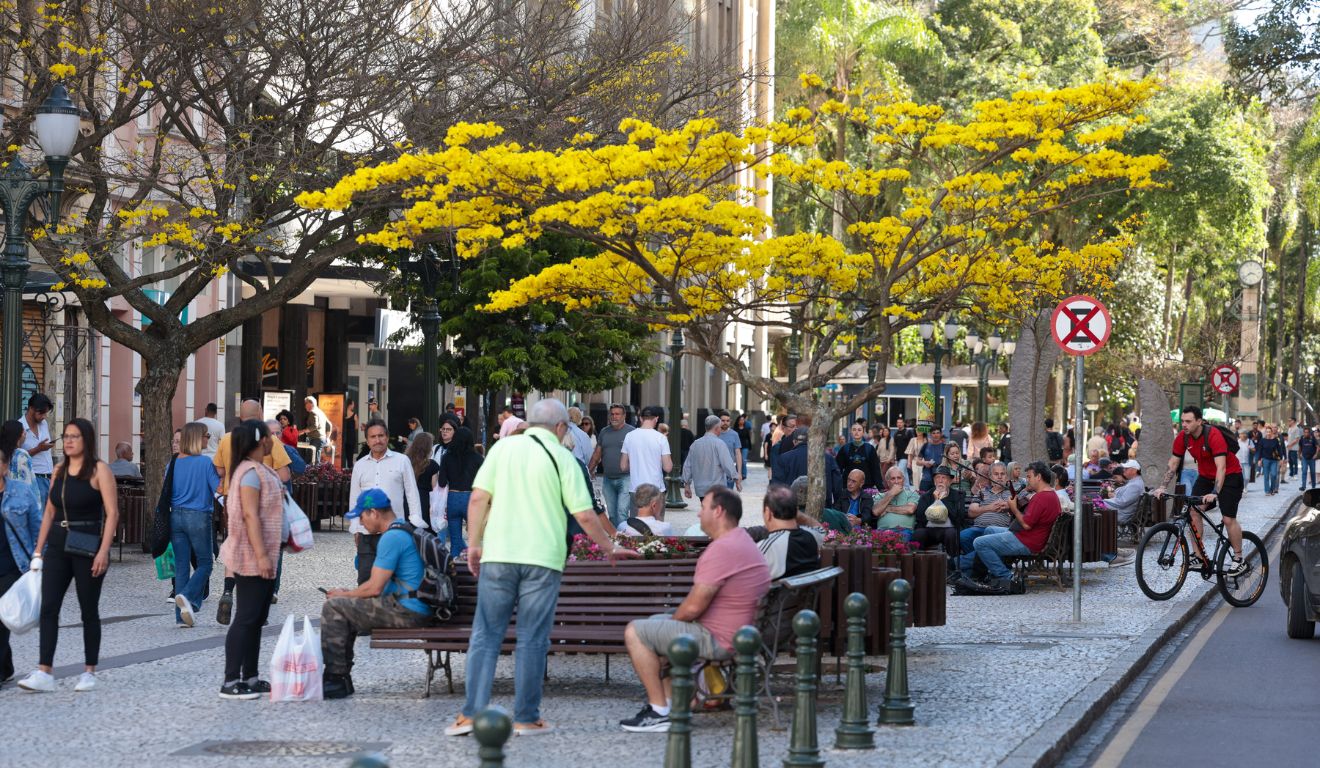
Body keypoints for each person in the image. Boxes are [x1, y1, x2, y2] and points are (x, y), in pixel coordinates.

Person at [446, 399, 636, 738]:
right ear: (561, 427)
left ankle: (471, 714)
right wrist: (610, 547)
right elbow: (585, 514)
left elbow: (477, 499)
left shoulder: (502, 451)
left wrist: (474, 543)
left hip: (500, 554)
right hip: (542, 559)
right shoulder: (564, 458)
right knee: (532, 639)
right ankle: (526, 717)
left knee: (486, 635)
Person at [619, 487, 769, 733]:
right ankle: (672, 704)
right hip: (739, 633)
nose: (698, 515)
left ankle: (658, 710)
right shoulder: (741, 541)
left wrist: (673, 624)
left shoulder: (722, 549)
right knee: (657, 621)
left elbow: (693, 607)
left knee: (635, 631)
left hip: (721, 639)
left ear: (718, 511)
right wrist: (669, 624)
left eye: (703, 508)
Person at [18, 417, 118, 693]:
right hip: (58, 543)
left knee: (88, 609)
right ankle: (44, 670)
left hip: (87, 541)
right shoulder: (59, 469)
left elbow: (112, 514)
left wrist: (104, 550)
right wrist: (38, 550)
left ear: (87, 440)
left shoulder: (99, 471)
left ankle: (89, 671)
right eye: (66, 436)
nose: (69, 440)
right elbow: (49, 512)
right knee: (49, 607)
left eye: (75, 436)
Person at [321, 489, 433, 698]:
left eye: (361, 517)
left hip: (408, 610)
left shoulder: (391, 538)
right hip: (414, 605)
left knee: (333, 607)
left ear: (374, 513)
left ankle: (336, 679)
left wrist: (342, 596)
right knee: (346, 608)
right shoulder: (404, 529)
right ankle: (340, 677)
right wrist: (350, 593)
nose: (361, 524)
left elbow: (374, 587)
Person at [216, 420, 283, 700]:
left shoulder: (260, 470)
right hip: (251, 555)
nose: (272, 440)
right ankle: (231, 680)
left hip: (264, 552)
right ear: (260, 440)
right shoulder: (250, 473)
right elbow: (250, 516)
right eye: (269, 436)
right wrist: (262, 556)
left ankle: (251, 676)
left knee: (257, 618)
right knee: (246, 618)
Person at [212, 400, 293, 625]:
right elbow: (285, 474)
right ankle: (256, 606)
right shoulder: (269, 439)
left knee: (235, 542)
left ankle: (228, 591)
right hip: (262, 502)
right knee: (260, 549)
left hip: (233, 500)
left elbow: (218, 468)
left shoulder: (228, 438)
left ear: (240, 416)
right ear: (259, 414)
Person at [1154, 406, 1247, 575]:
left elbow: (1222, 467)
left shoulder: (1213, 435)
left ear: (1199, 421)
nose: (1184, 425)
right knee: (1193, 511)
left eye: (1188, 421)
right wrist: (1162, 486)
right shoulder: (1183, 437)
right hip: (1205, 477)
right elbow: (1173, 464)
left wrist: (1215, 493)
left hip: (1231, 476)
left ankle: (1239, 558)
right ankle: (1198, 555)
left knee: (1227, 519)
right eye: (1182, 421)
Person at [959, 461, 1063, 592]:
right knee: (989, 529)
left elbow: (1026, 524)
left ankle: (1006, 577)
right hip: (1028, 536)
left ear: (1039, 477)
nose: (1027, 480)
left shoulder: (1041, 497)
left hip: (1027, 541)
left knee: (979, 543)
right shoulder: (1050, 494)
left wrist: (1013, 508)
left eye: (1029, 476)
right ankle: (983, 573)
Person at [350, 418, 423, 583]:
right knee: (365, 577)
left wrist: (414, 522)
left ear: (387, 437)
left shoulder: (402, 461)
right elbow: (355, 497)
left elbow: (412, 492)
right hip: (366, 532)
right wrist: (355, 528)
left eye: (381, 436)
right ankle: (368, 608)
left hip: (394, 530)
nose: (377, 440)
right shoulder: (360, 465)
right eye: (373, 437)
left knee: (394, 578)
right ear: (367, 441)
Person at [0, 447, 43, 688]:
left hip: (11, 566)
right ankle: (5, 666)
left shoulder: (21, 492)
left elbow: (37, 528)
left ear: (5, 466)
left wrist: (39, 559)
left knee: (1, 618)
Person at [170, 423, 221, 627]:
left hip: (176, 517)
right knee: (205, 563)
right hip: (199, 516)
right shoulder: (204, 463)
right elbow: (217, 490)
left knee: (181, 566)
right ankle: (188, 596)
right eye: (205, 435)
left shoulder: (173, 463)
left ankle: (180, 615)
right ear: (196, 438)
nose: (207, 439)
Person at [753, 484, 821, 579]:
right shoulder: (814, 536)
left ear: (768, 513)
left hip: (777, 593)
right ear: (796, 512)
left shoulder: (767, 547)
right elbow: (820, 529)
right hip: (811, 592)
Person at [437, 426, 484, 556]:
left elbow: (441, 482)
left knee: (455, 540)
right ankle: (473, 567)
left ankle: (455, 568)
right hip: (471, 498)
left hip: (452, 498)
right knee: (474, 540)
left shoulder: (447, 457)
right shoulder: (477, 458)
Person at [958, 462, 1014, 564]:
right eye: (996, 474)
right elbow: (971, 512)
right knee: (963, 536)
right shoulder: (982, 492)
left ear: (1006, 476)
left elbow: (1011, 507)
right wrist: (990, 508)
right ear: (990, 476)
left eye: (1002, 474)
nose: (999, 477)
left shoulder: (1010, 493)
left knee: (989, 534)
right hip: (979, 527)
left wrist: (1007, 506)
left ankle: (968, 564)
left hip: (998, 530)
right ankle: (981, 564)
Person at [589, 405, 635, 526]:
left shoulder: (631, 432)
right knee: (612, 515)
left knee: (621, 512)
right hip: (608, 479)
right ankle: (615, 540)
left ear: (624, 416)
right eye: (612, 414)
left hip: (626, 478)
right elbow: (596, 455)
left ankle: (624, 541)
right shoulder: (604, 432)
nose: (614, 416)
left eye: (617, 414)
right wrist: (588, 472)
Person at [910, 465, 965, 564]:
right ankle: (918, 565)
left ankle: (952, 566)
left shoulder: (957, 495)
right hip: (929, 529)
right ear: (934, 481)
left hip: (948, 529)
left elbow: (958, 518)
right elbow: (920, 517)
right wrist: (935, 500)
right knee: (918, 534)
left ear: (949, 481)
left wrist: (942, 499)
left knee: (952, 534)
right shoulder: (926, 496)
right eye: (938, 477)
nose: (940, 480)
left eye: (943, 477)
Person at [682, 415, 740, 499]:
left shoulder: (695, 444)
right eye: (720, 427)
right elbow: (727, 464)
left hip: (700, 489)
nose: (720, 429)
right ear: (716, 428)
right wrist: (736, 478)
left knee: (706, 509)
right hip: (717, 489)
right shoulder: (719, 444)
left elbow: (688, 465)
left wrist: (687, 485)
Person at [621, 406, 673, 499]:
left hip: (636, 489)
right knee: (655, 514)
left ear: (641, 418)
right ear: (656, 419)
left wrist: (635, 464)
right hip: (656, 488)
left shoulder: (629, 436)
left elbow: (623, 466)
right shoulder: (661, 438)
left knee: (637, 514)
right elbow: (668, 468)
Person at [19, 393, 54, 507]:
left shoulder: (43, 424)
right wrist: (38, 449)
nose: (44, 416)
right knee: (38, 520)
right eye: (41, 413)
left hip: (50, 477)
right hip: (34, 479)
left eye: (46, 413)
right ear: (31, 408)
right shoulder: (20, 427)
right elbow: (17, 456)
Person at [405, 432, 441, 531]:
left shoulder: (405, 461)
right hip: (424, 501)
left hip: (407, 499)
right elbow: (435, 488)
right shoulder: (432, 465)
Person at [836, 421, 881, 489]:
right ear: (851, 432)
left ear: (863, 432)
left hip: (866, 486)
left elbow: (875, 469)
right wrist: (838, 486)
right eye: (854, 430)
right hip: (849, 486)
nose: (856, 432)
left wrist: (880, 487)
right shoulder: (845, 448)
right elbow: (838, 469)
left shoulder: (869, 448)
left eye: (859, 430)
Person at [0, 419, 34, 486]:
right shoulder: (22, 454)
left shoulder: (2, 453)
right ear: (20, 435)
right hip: (18, 494)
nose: (25, 433)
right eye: (23, 431)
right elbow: (29, 482)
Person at [301, 396, 333, 461]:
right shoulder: (320, 412)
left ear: (311, 404)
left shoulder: (313, 412)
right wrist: (326, 437)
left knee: (314, 460)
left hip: (316, 439)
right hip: (320, 439)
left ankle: (315, 471)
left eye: (306, 403)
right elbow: (329, 425)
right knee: (313, 458)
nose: (305, 406)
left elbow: (315, 426)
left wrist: (303, 431)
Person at [716, 411, 743, 486]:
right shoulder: (714, 434)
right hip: (715, 471)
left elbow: (738, 453)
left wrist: (739, 473)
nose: (725, 423)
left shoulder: (734, 434)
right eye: (723, 420)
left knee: (727, 496)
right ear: (718, 421)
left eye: (727, 421)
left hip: (730, 471)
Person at [1255, 424, 1283, 496]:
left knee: (1274, 475)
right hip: (1265, 460)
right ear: (1265, 433)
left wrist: (1281, 459)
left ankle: (1272, 489)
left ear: (1271, 432)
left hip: (1274, 460)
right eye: (1267, 432)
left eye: (1269, 432)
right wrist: (1259, 460)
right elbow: (1260, 451)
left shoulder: (1276, 440)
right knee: (1266, 476)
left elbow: (1279, 450)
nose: (1268, 433)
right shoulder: (1262, 441)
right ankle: (1267, 491)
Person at [916, 427, 946, 492]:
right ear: (930, 434)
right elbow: (917, 461)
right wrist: (925, 463)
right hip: (926, 478)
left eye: (938, 433)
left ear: (941, 434)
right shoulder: (925, 446)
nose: (936, 435)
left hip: (940, 478)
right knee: (922, 498)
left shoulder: (945, 447)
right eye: (933, 433)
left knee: (939, 500)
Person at [734, 414, 752, 481]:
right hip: (737, 447)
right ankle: (737, 473)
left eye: (743, 420)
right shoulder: (735, 430)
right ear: (738, 421)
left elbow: (749, 439)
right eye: (741, 420)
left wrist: (750, 447)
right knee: (738, 460)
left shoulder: (746, 429)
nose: (742, 421)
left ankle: (744, 474)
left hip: (745, 446)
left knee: (744, 460)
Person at [342, 400, 359, 468]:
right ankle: (349, 470)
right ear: (350, 405)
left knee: (343, 454)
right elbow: (356, 427)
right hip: (351, 437)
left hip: (344, 437)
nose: (353, 406)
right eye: (353, 404)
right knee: (350, 455)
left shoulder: (343, 414)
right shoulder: (354, 415)